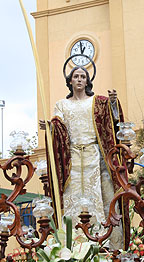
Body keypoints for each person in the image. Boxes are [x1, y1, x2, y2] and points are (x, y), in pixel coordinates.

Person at [39, 65, 124, 249]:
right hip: (73, 158)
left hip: (94, 156)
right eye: (76, 76)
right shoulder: (62, 104)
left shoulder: (98, 102)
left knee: (99, 195)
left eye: (83, 76)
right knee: (72, 196)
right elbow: (58, 125)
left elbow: (113, 121)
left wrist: (113, 104)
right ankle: (70, 242)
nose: (79, 79)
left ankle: (102, 240)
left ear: (87, 81)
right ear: (70, 81)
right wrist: (50, 127)